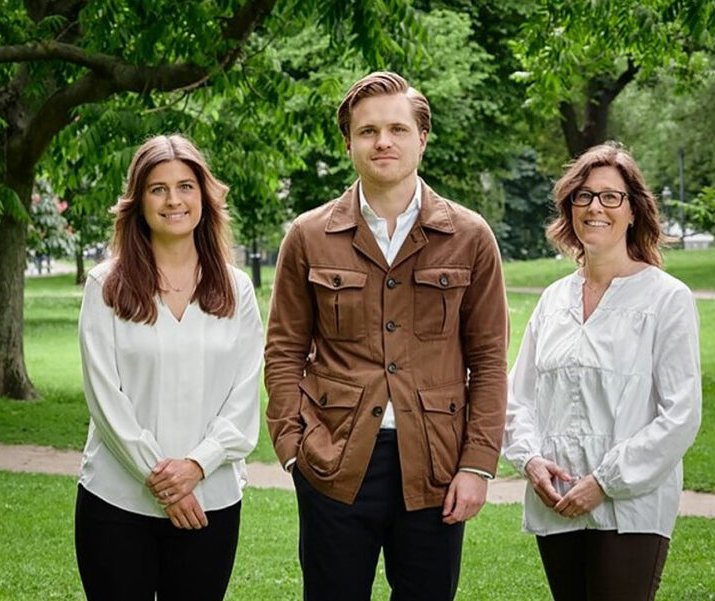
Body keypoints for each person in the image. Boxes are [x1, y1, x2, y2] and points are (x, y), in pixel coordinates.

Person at [264, 71, 509, 601]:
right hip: (334, 460)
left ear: (422, 138)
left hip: (437, 466)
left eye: (397, 129)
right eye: (368, 130)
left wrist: (476, 465)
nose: (383, 142)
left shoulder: (470, 236)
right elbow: (284, 350)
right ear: (349, 142)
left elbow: (488, 360)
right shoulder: (308, 236)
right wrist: (292, 448)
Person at [503, 143, 701, 601]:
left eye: (611, 197)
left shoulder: (666, 299)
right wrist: (531, 462)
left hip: (629, 506)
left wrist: (604, 483)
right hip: (558, 500)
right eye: (584, 196)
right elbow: (518, 398)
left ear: (634, 211)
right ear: (569, 208)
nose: (596, 207)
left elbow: (681, 415)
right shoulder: (554, 300)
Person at [75, 134, 263, 601]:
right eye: (158, 188)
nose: (173, 199)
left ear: (205, 196)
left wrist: (197, 467)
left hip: (212, 500)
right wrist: (165, 483)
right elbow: (105, 400)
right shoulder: (106, 286)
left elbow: (243, 397)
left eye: (185, 186)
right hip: (117, 501)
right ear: (138, 201)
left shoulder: (236, 290)